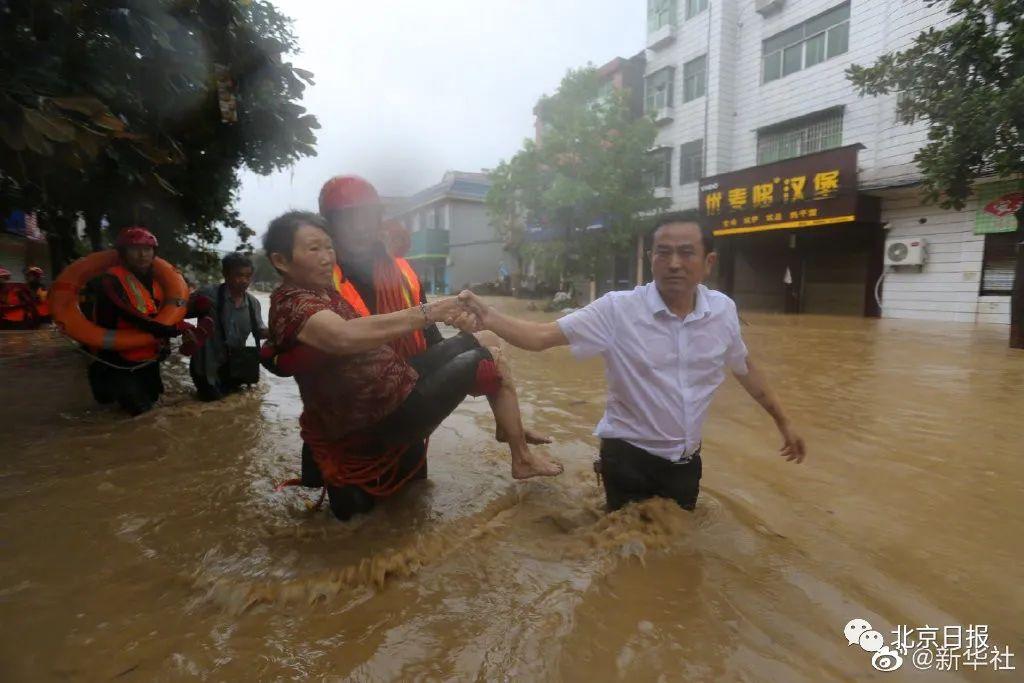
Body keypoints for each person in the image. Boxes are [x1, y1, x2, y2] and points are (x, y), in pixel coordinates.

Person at [458, 210, 807, 512]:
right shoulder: (617, 309)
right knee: (623, 555)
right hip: (627, 459)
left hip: (686, 462)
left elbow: (745, 369)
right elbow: (540, 337)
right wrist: (488, 316)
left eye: (686, 253)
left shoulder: (723, 312)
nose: (674, 264)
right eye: (663, 253)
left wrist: (784, 421)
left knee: (677, 556)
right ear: (650, 258)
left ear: (708, 262)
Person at [265, 211, 562, 521]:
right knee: (488, 359)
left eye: (329, 247)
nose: (327, 257)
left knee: (487, 337)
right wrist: (432, 311)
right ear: (282, 261)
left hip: (395, 376)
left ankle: (509, 430)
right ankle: (522, 457)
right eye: (314, 249)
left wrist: (448, 318)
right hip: (378, 410)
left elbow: (420, 330)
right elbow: (342, 336)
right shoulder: (294, 302)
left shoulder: (332, 289)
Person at [86, 227, 184, 416]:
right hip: (119, 358)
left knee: (152, 406)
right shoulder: (110, 280)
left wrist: (175, 330)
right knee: (138, 413)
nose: (142, 255)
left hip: (148, 356)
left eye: (147, 250)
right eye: (135, 249)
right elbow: (126, 312)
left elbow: (169, 310)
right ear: (124, 253)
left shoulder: (158, 281)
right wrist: (163, 329)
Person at [187, 252, 268, 401]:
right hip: (205, 366)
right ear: (225, 274)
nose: (244, 280)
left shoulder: (253, 303)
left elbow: (259, 331)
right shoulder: (207, 294)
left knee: (234, 409)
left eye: (248, 276)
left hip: (234, 368)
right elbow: (178, 314)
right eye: (238, 275)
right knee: (211, 407)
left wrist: (279, 331)